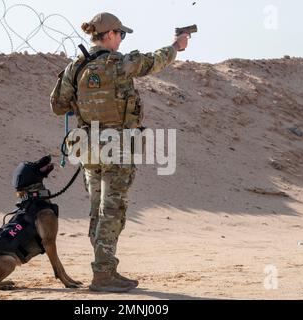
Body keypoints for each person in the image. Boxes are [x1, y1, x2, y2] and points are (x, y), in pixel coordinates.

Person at [51, 12, 189, 292]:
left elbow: (58, 105)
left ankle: (104, 268)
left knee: (97, 209)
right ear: (110, 35)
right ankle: (103, 274)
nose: (122, 40)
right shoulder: (120, 64)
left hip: (89, 147)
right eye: (121, 35)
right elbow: (155, 60)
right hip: (118, 147)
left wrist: (88, 100)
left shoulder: (75, 67)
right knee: (112, 210)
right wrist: (176, 46)